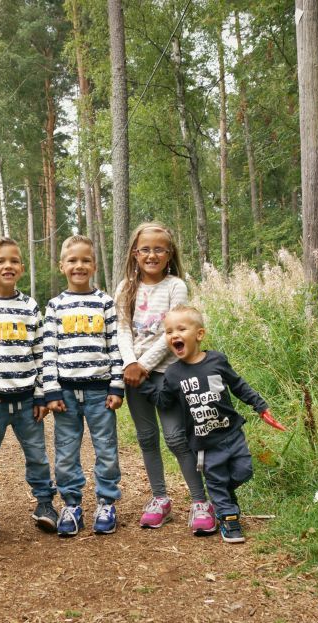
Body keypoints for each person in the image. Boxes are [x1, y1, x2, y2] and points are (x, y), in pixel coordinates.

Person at [145, 305, 286, 542]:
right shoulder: (173, 373)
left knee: (244, 470)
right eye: (168, 332)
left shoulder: (216, 360)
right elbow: (164, 401)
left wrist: (260, 405)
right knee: (216, 480)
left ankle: (222, 494)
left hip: (232, 432)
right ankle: (229, 519)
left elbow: (238, 385)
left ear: (199, 334)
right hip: (204, 443)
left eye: (181, 329)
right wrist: (144, 385)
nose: (174, 335)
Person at [115, 221, 215, 535]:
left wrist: (143, 364)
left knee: (175, 438)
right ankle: (160, 498)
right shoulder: (125, 288)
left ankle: (200, 501)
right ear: (134, 253)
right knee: (146, 437)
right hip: (135, 376)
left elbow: (170, 334)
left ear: (169, 254)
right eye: (145, 249)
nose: (152, 255)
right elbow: (122, 330)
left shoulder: (176, 286)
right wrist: (131, 363)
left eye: (159, 249)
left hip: (167, 374)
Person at [0, 237, 57, 539]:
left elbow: (41, 353)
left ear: (21, 268)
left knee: (37, 455)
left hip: (27, 401)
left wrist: (41, 394)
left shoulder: (29, 306)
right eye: (1, 261)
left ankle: (45, 504)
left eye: (14, 261)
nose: (8, 265)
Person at [43, 235, 123, 536]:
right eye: (73, 260)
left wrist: (117, 386)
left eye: (85, 260)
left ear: (94, 265)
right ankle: (72, 504)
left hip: (100, 391)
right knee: (66, 451)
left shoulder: (105, 302)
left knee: (106, 448)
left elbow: (115, 346)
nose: (79, 266)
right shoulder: (55, 306)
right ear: (62, 265)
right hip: (65, 393)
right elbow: (48, 352)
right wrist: (51, 390)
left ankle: (106, 503)